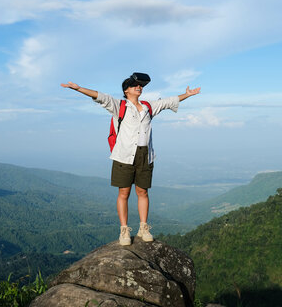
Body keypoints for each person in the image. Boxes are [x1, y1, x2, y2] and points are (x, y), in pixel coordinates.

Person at [61, 73, 200, 245]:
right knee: (124, 193)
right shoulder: (119, 105)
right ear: (126, 90)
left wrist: (187, 94)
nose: (139, 87)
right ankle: (124, 230)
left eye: (141, 85)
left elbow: (168, 102)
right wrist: (78, 88)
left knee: (142, 192)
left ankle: (143, 227)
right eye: (135, 85)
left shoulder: (148, 107)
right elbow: (99, 96)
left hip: (145, 155)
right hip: (124, 155)